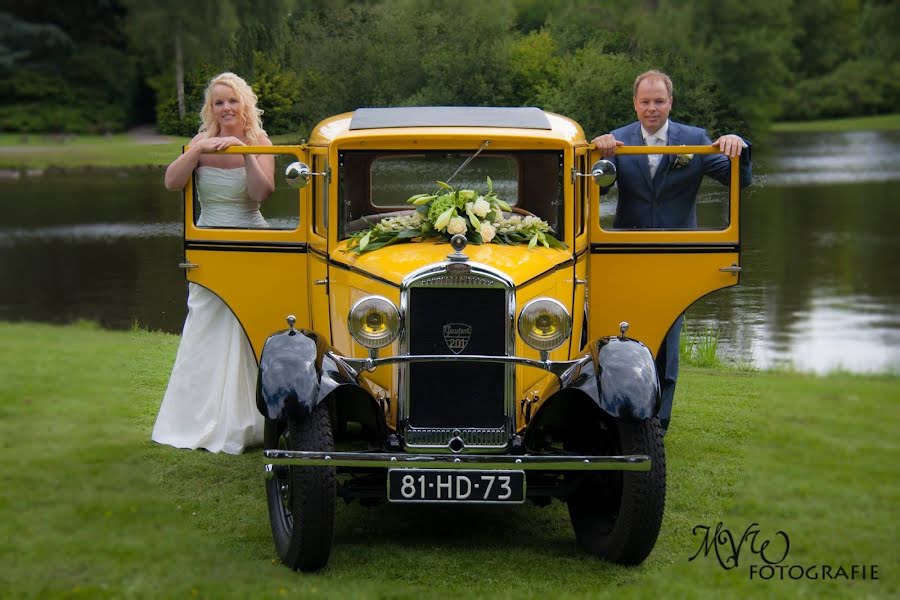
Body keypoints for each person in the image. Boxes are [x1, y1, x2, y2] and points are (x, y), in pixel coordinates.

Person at [591, 69, 752, 436]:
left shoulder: (694, 140)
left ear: (670, 103)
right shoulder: (616, 140)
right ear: (635, 103)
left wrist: (736, 145)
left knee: (669, 339)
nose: (652, 108)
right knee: (622, 332)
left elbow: (739, 179)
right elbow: (596, 189)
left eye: (659, 101)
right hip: (625, 255)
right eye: (645, 102)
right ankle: (618, 417)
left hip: (675, 256)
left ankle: (658, 425)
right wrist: (598, 155)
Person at [152, 72, 275, 454]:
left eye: (232, 101)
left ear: (245, 105)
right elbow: (173, 182)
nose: (226, 108)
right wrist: (195, 149)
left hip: (251, 240)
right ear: (212, 108)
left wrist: (242, 149)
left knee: (249, 326)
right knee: (205, 325)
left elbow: (261, 193)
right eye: (219, 102)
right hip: (209, 245)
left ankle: (252, 420)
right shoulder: (200, 143)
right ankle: (194, 419)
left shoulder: (260, 142)